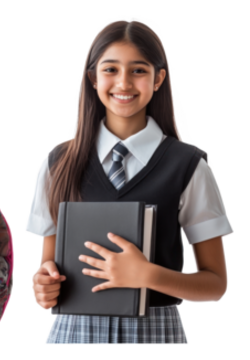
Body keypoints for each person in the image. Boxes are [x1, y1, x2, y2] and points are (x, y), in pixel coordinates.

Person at [26, 17, 232, 345]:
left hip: (155, 333)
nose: (123, 83)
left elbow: (216, 285)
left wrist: (148, 275)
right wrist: (43, 286)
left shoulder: (189, 165)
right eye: (111, 69)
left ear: (158, 78)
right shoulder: (58, 163)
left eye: (138, 70)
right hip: (73, 333)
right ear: (93, 78)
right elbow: (47, 269)